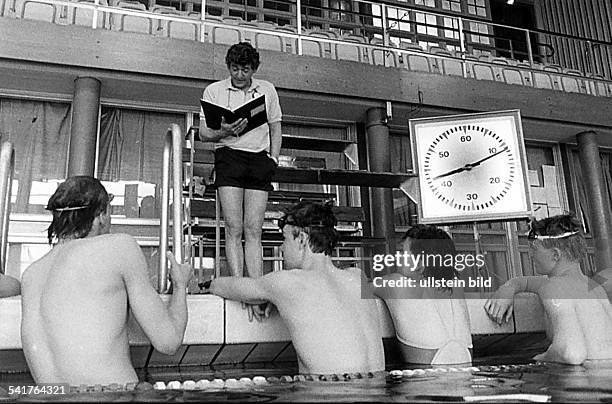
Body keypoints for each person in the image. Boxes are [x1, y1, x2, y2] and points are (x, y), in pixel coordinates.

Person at [21, 176, 193, 385]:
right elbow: (168, 341)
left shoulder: (31, 275)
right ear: (101, 215)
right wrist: (180, 284)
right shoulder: (120, 247)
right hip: (110, 395)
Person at [206, 202, 384, 375]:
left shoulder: (289, 283)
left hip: (328, 392)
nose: (282, 248)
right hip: (378, 388)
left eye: (284, 238)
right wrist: (275, 296)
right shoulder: (357, 277)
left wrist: (208, 284)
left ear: (302, 239)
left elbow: (222, 286)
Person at [199, 42, 282, 321]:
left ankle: (255, 289)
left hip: (259, 159)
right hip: (229, 157)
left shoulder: (267, 89)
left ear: (253, 69)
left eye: (245, 70)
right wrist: (220, 131)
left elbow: (275, 126)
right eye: (235, 69)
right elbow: (203, 134)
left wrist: (273, 158)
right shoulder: (214, 91)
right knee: (234, 227)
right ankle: (238, 285)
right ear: (228, 67)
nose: (239, 75)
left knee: (253, 229)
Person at [484, 214, 612, 365]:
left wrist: (539, 359)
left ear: (555, 255)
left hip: (586, 381)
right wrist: (508, 288)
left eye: (534, 248)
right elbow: (525, 282)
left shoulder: (553, 287)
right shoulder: (593, 287)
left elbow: (571, 353)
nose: (530, 254)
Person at [372, 225, 472, 365]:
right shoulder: (456, 287)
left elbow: (358, 287)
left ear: (420, 263)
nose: (397, 257)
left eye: (403, 253)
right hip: (465, 371)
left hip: (424, 380)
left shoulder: (397, 284)